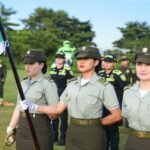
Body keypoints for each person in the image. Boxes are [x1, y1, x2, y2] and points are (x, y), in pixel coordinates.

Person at [20, 46, 122, 150]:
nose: (81, 62)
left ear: (96, 62)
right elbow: (58, 109)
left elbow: (116, 115)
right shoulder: (72, 84)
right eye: (79, 59)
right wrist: (34, 106)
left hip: (93, 135)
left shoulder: (104, 86)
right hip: (72, 133)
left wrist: (97, 124)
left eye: (86, 59)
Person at [6, 50, 59, 150]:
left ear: (41, 65)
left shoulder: (48, 84)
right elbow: (18, 107)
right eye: (26, 63)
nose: (27, 66)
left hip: (39, 128)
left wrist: (36, 107)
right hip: (22, 128)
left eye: (31, 63)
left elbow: (54, 114)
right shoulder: (23, 83)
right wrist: (11, 127)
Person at [122, 47, 150, 150]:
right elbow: (126, 117)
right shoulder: (128, 92)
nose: (143, 69)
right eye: (139, 64)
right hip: (132, 141)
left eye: (148, 64)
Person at [98, 54, 127, 150]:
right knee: (103, 129)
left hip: (113, 108)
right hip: (101, 106)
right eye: (105, 61)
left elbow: (126, 89)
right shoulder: (100, 74)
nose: (106, 63)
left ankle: (114, 148)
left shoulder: (118, 74)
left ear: (114, 63)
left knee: (113, 130)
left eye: (109, 61)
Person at [49, 51, 74, 145]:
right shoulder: (52, 69)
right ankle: (54, 136)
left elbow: (73, 80)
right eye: (57, 57)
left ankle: (63, 138)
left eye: (60, 57)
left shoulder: (67, 69)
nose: (58, 59)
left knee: (63, 118)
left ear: (63, 59)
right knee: (54, 117)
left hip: (63, 96)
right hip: (53, 96)